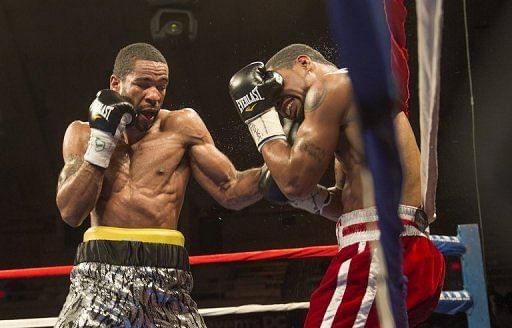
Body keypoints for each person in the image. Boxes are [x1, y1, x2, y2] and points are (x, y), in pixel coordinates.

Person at [228, 43, 445, 327]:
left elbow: (294, 181)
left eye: (277, 87)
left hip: (379, 252)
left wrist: (257, 114)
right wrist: (308, 200)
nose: (277, 103)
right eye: (271, 101)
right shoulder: (353, 109)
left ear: (304, 63)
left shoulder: (331, 87)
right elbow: (344, 204)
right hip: (408, 248)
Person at [54, 42, 265, 327]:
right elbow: (70, 213)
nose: (154, 96)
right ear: (116, 83)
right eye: (143, 84)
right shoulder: (81, 133)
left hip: (165, 273)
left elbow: (231, 190)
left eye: (162, 86)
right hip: (98, 273)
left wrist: (279, 163)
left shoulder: (182, 126)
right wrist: (101, 145)